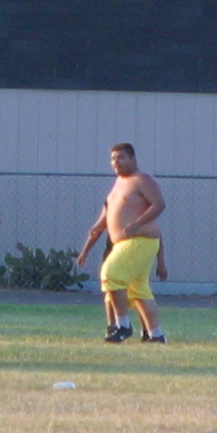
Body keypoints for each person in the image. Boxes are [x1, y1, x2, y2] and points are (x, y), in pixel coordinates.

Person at [74, 142, 167, 344]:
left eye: (121, 157)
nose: (116, 162)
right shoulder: (118, 183)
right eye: (113, 158)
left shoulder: (141, 179)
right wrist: (85, 251)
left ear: (133, 159)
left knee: (111, 274)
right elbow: (103, 221)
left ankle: (123, 325)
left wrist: (137, 223)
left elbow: (159, 204)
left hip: (139, 240)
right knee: (138, 289)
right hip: (124, 243)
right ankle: (156, 335)